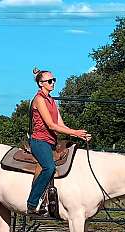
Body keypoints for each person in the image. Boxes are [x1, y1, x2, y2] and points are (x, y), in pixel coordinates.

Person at [26, 67, 91, 215]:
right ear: (41, 84)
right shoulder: (39, 99)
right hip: (39, 141)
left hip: (51, 141)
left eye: (54, 80)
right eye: (49, 81)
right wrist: (75, 133)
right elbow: (50, 125)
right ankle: (32, 203)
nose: (53, 83)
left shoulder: (51, 101)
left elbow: (60, 124)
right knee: (48, 167)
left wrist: (78, 134)